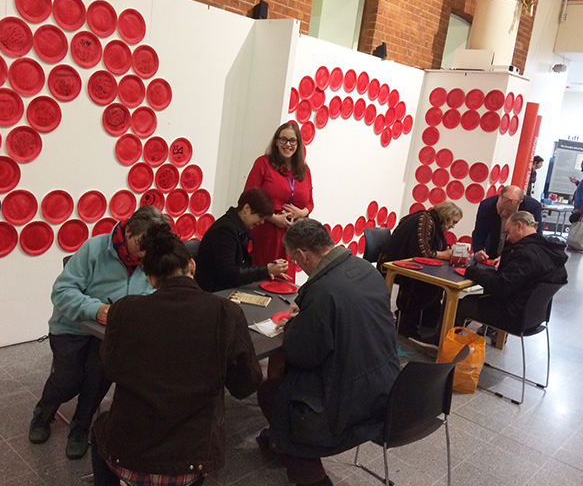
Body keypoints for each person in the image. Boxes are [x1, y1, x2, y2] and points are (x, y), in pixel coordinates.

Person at [91, 225, 262, 486]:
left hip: (127, 454)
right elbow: (246, 384)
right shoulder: (226, 312)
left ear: (149, 278)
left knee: (101, 429)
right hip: (191, 458)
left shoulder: (123, 310)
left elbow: (111, 369)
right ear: (191, 266)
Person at [256, 219, 400, 486]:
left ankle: (311, 475)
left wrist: (295, 324)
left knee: (273, 395)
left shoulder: (323, 291)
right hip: (385, 386)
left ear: (301, 255)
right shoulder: (364, 269)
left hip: (348, 398)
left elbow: (302, 354)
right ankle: (281, 443)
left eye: (295, 261)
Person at [28, 205, 170, 460]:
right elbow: (61, 292)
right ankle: (43, 413)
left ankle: (81, 427)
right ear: (128, 232)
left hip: (110, 333)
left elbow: (154, 292)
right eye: (141, 245)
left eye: (150, 249)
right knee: (68, 379)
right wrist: (97, 310)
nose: (143, 255)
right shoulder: (95, 249)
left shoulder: (150, 257)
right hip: (72, 326)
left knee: (100, 376)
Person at [456, 211, 567, 330]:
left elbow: (501, 287)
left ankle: (441, 341)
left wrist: (471, 271)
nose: (508, 238)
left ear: (519, 226)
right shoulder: (551, 253)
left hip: (513, 316)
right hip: (536, 317)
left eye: (508, 232)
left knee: (463, 304)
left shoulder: (526, 254)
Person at [376, 201, 463, 340]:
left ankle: (424, 319)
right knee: (430, 287)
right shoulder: (425, 220)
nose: (453, 226)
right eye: (453, 222)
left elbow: (435, 247)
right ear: (447, 216)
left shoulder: (433, 223)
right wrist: (443, 254)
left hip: (408, 262)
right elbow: (422, 252)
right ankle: (406, 321)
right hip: (394, 264)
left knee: (437, 286)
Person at [245, 122, 314, 280]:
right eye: (283, 139)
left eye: (292, 141)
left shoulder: (304, 170)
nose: (287, 144)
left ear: (298, 144)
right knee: (264, 279)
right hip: (266, 232)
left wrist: (301, 212)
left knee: (286, 283)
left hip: (292, 236)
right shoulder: (263, 164)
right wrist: (274, 218)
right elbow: (249, 197)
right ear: (276, 141)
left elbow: (310, 203)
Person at [195, 187, 289, 292]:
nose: (262, 222)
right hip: (215, 292)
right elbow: (228, 273)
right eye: (260, 216)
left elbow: (241, 267)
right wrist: (266, 270)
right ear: (246, 209)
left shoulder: (240, 227)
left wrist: (269, 269)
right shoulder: (225, 230)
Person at [472, 185, 543, 262]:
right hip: (492, 251)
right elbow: (479, 233)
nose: (503, 213)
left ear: (519, 204)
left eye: (509, 211)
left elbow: (535, 239)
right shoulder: (486, 205)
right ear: (499, 197)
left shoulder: (532, 208)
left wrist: (507, 257)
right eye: (501, 208)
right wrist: (478, 251)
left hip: (518, 255)